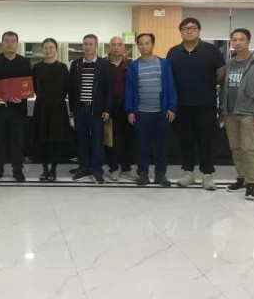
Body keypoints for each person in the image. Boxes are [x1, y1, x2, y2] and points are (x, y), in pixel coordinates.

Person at [167, 17, 226, 190]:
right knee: (185, 141)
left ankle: (207, 174)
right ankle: (188, 173)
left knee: (206, 141)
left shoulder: (212, 50)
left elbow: (221, 73)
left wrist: (208, 84)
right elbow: (169, 78)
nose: (189, 31)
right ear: (181, 32)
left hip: (206, 105)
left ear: (199, 31)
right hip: (182, 106)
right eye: (185, 28)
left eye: (192, 28)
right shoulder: (173, 52)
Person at [220, 28, 254, 201]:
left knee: (248, 148)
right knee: (235, 147)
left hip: (249, 113)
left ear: (248, 41)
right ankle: (241, 178)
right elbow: (224, 89)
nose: (238, 42)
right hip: (230, 113)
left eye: (241, 39)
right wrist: (222, 110)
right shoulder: (229, 64)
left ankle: (251, 183)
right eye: (234, 40)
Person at [126, 33, 177, 187]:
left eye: (147, 43)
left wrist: (172, 108)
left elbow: (171, 87)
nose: (144, 46)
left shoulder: (164, 64)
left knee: (162, 146)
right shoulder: (133, 66)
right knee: (142, 146)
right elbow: (129, 90)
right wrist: (130, 111)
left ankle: (160, 175)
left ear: (153, 44)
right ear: (137, 46)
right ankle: (143, 174)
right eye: (141, 43)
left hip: (161, 113)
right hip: (141, 113)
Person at [0, 31, 32, 182]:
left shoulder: (24, 62)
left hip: (18, 109)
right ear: (2, 43)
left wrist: (22, 97)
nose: (10, 43)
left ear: (17, 44)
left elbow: (28, 85)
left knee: (17, 141)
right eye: (7, 40)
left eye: (13, 41)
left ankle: (17, 170)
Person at [69, 34, 112, 184]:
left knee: (97, 141)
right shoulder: (75, 64)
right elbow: (71, 88)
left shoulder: (104, 64)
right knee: (82, 140)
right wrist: (72, 108)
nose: (87, 47)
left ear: (96, 46)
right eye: (85, 44)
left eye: (91, 44)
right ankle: (83, 168)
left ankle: (97, 170)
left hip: (97, 110)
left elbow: (109, 89)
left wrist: (107, 109)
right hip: (80, 109)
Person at [32, 38, 71, 182]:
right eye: (46, 48)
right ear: (42, 49)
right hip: (41, 107)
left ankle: (53, 170)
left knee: (56, 140)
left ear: (56, 49)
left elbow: (67, 87)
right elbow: (34, 88)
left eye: (51, 48)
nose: (48, 50)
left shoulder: (62, 67)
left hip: (58, 108)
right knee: (42, 139)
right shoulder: (36, 67)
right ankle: (44, 170)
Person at [105, 36, 137, 182]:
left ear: (124, 47)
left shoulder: (131, 64)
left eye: (119, 44)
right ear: (109, 47)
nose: (116, 47)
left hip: (127, 107)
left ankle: (126, 168)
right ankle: (113, 168)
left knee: (128, 139)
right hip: (108, 108)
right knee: (110, 139)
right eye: (113, 44)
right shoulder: (103, 64)